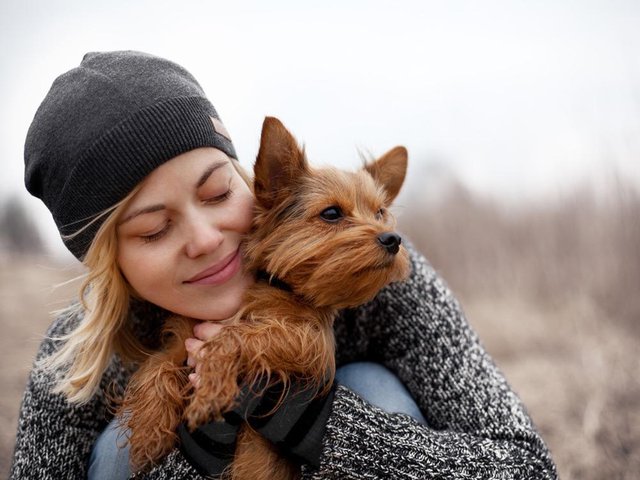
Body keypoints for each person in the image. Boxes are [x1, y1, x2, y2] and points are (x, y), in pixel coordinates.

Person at [10, 50, 558, 479]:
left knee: (372, 387)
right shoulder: (77, 359)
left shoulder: (385, 282)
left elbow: (528, 468)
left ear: (255, 183)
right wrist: (197, 459)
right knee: (117, 449)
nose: (206, 239)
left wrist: (330, 430)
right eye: (154, 229)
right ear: (110, 262)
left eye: (219, 193)